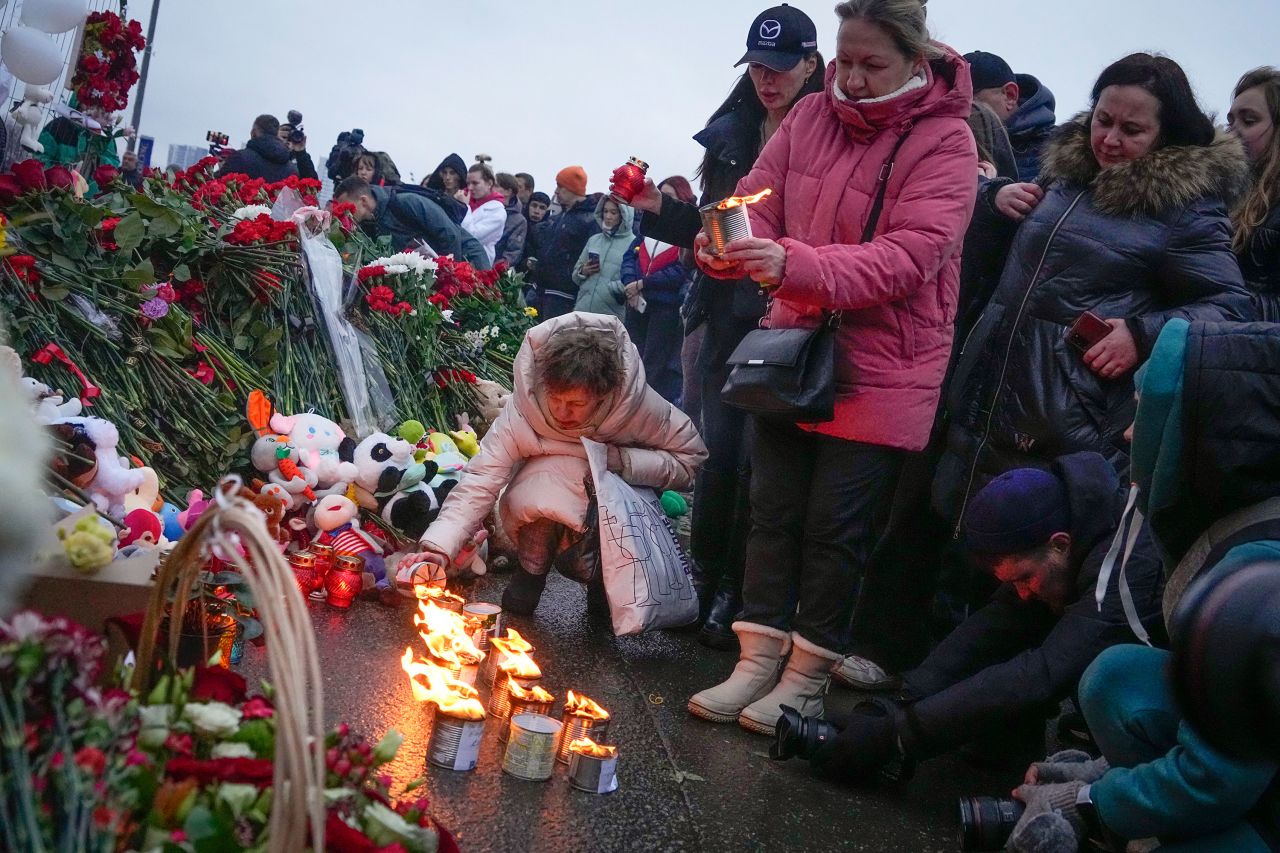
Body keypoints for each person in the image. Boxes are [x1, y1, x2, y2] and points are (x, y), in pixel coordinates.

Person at [685, 0, 978, 736]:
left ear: (919, 60)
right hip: (792, 350)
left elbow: (911, 257)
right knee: (771, 512)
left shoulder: (946, 140)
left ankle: (807, 677)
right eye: (843, 59)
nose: (849, 76)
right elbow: (754, 200)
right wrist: (724, 241)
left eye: (869, 64)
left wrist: (793, 262)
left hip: (884, 365)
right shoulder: (812, 116)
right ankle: (756, 659)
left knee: (834, 529)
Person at [932, 54, 1252, 643]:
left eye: (1132, 130)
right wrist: (997, 199)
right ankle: (927, 703)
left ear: (1168, 135)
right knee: (966, 561)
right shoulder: (1067, 174)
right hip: (992, 399)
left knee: (1022, 600)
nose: (1109, 138)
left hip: (1068, 423)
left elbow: (1232, 310)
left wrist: (1143, 334)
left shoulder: (1186, 208)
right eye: (1104, 119)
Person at [1006, 319, 1280, 853]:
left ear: (1195, 428)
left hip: (1246, 785)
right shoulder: (1244, 510)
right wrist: (1103, 773)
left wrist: (1086, 802)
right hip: (1254, 751)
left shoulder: (1259, 574)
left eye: (1146, 413)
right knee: (1119, 676)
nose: (1130, 433)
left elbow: (1216, 780)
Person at [620, 3, 824, 651]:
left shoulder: (829, 131)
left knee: (760, 466)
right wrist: (659, 209)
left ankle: (740, 589)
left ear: (813, 65)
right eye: (758, 66)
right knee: (716, 453)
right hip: (720, 313)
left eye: (782, 67)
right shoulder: (732, 130)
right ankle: (703, 575)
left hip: (785, 316)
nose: (769, 79)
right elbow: (716, 226)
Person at [797, 452, 1164, 782]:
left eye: (1023, 578)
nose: (1021, 591)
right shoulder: (1072, 530)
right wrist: (896, 704)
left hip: (1191, 696)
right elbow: (992, 627)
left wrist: (899, 736)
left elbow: (1044, 674)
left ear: (1060, 543)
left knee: (1095, 674)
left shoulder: (1127, 568)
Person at [400, 313, 707, 616]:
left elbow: (691, 459)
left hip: (612, 509)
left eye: (575, 404)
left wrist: (625, 461)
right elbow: (481, 478)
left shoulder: (637, 408)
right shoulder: (524, 409)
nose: (561, 411)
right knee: (548, 482)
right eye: (555, 398)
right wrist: (439, 547)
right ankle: (531, 572)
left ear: (603, 395)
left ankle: (606, 583)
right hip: (539, 501)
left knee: (604, 538)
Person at [621, 176, 694, 405]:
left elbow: (680, 271)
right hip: (637, 302)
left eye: (668, 197)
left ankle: (645, 406)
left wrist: (645, 284)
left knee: (654, 361)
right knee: (630, 354)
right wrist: (630, 284)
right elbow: (629, 258)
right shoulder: (646, 230)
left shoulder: (683, 236)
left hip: (664, 306)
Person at [333, 176, 491, 269]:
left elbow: (449, 233)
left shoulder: (405, 202)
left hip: (469, 262)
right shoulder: (370, 225)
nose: (346, 213)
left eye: (348, 207)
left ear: (363, 201)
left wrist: (452, 274)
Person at [1229, 67, 1280, 321]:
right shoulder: (1221, 198)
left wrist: (1216, 305)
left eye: (1248, 121)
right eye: (1231, 121)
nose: (1233, 131)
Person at [964, 50, 1057, 182]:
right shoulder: (955, 143)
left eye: (969, 101)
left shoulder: (1065, 150)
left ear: (1010, 95)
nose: (960, 112)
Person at [530, 166, 599, 320]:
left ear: (571, 188)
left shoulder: (589, 220)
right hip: (541, 288)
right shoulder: (563, 215)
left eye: (560, 186)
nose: (556, 191)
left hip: (563, 294)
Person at [572, 197, 635, 320]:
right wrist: (583, 271)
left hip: (610, 316)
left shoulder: (633, 244)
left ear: (623, 215)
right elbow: (575, 276)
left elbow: (634, 281)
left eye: (613, 212)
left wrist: (612, 289)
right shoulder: (594, 240)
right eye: (605, 211)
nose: (608, 216)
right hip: (581, 310)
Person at [219, 114, 297, 182]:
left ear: (253, 132)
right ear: (277, 134)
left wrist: (221, 167)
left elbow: (217, 187)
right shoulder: (293, 170)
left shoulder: (239, 158)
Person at [461, 160, 507, 266]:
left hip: (477, 263)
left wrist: (464, 207)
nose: (470, 188)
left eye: (475, 183)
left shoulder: (498, 212)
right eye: (468, 183)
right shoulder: (467, 201)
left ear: (489, 183)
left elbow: (472, 236)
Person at [495, 172, 529, 269]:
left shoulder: (518, 221)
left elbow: (512, 254)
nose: (491, 188)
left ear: (508, 191)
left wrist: (490, 270)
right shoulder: (484, 208)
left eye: (496, 186)